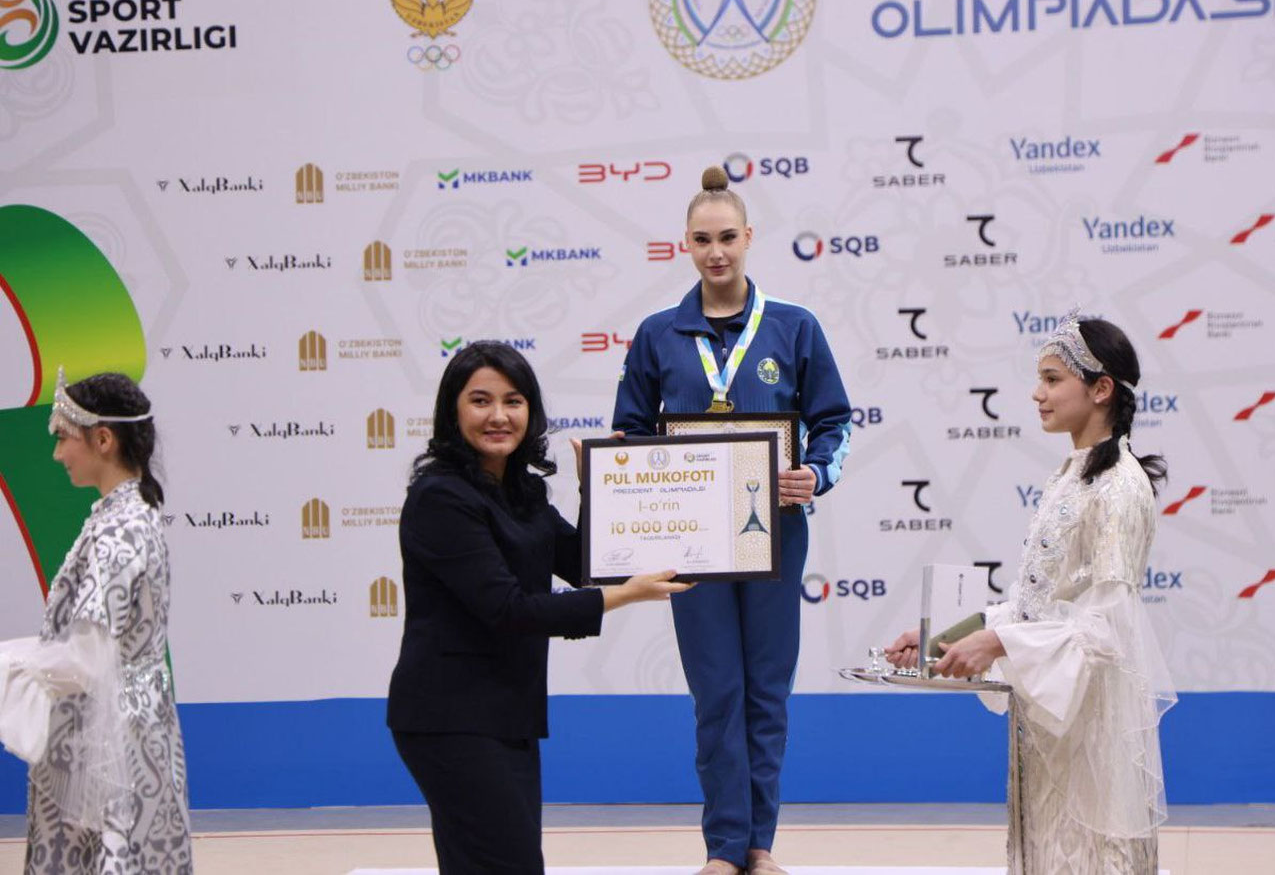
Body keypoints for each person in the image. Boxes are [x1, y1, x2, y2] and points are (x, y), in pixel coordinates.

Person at [612, 167, 853, 875]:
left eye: (726, 238)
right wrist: (623, 473)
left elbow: (835, 423)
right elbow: (631, 432)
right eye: (702, 240)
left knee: (766, 692)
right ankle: (723, 846)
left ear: (748, 237)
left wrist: (816, 474)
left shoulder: (794, 327)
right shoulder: (658, 334)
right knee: (716, 692)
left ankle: (759, 845)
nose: (715, 252)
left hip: (774, 532)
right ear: (684, 245)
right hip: (692, 540)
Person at [886, 310, 1176, 874]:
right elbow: (1036, 604)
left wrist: (997, 644)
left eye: (1051, 379)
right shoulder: (1073, 475)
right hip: (1051, 722)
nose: (1036, 393)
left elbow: (1107, 627)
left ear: (1100, 389)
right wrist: (942, 639)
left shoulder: (1118, 488)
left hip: (1090, 725)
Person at [386, 341, 690, 874]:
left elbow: (588, 565)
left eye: (514, 401)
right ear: (453, 411)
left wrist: (601, 488)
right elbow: (511, 610)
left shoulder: (523, 492)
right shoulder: (440, 497)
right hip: (450, 717)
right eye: (480, 400)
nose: (499, 416)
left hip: (508, 713)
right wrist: (626, 595)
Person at [0, 368, 193, 874]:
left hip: (112, 746)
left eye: (64, 437)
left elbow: (86, 661)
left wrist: (8, 665)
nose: (57, 453)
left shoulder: (119, 532)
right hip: (138, 729)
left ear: (103, 440)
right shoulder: (131, 515)